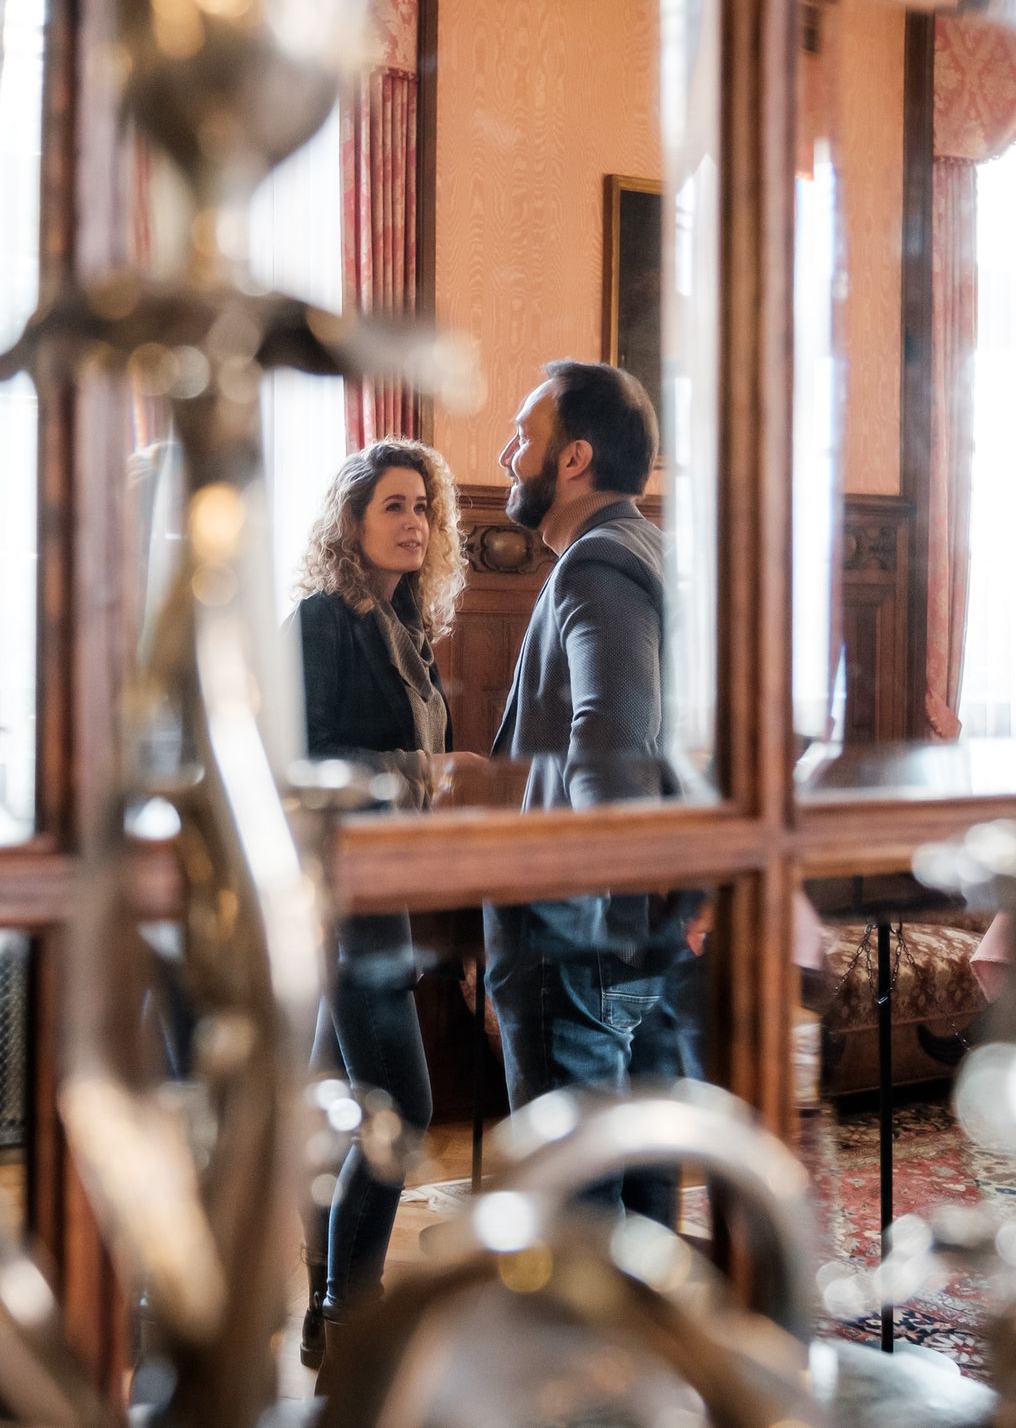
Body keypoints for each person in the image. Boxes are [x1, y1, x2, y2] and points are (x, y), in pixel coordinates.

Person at [478, 360, 702, 1226]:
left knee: (574, 1197)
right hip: (643, 918)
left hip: (577, 924)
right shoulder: (653, 554)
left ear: (572, 459)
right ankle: (651, 1358)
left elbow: (611, 744)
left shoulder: (596, 566)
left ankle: (584, 1363)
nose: (506, 453)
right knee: (644, 1179)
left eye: (522, 435)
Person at [286, 439, 464, 1365]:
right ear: (352, 522)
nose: (413, 523)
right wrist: (427, 769)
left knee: (343, 1114)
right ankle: (351, 1307)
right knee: (403, 1104)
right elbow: (302, 768)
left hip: (390, 888)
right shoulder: (321, 619)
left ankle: (336, 1312)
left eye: (423, 508)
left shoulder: (412, 631)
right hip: (340, 889)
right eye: (393, 505)